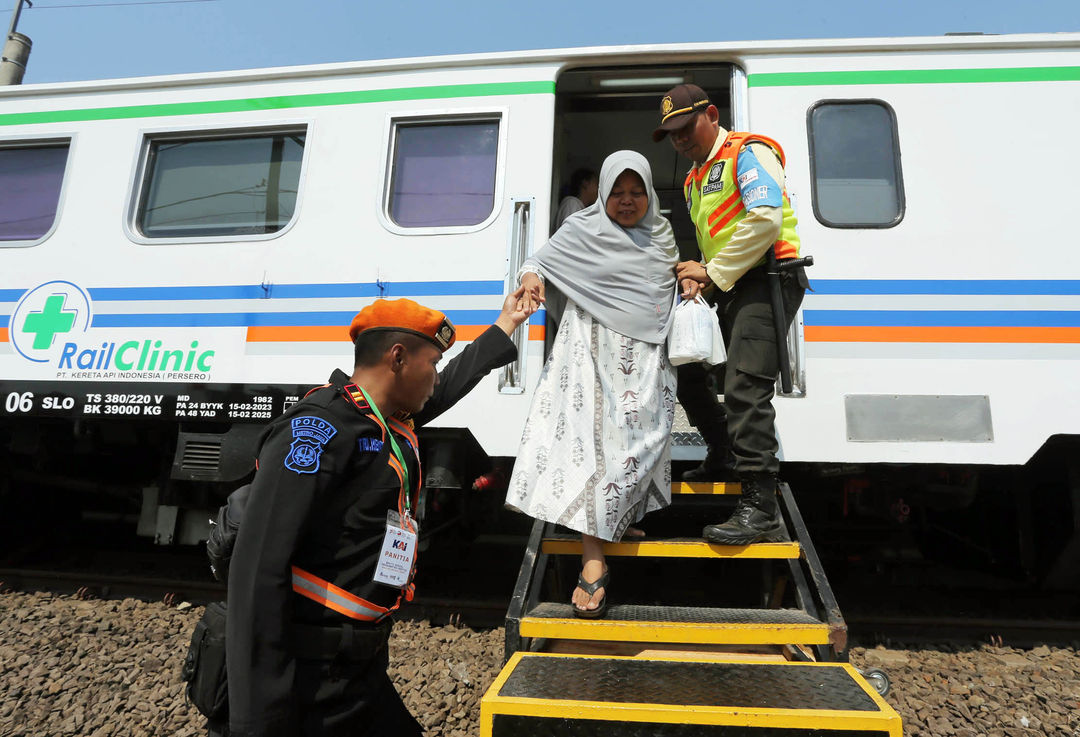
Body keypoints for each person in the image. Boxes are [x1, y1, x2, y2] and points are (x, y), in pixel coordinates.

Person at [220, 291, 534, 737]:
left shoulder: (381, 420)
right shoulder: (319, 429)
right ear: (398, 357)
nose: (436, 377)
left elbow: (446, 388)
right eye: (433, 363)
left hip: (355, 665)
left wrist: (506, 324)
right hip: (310, 674)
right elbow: (255, 570)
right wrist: (258, 720)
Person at [507, 150, 679, 618]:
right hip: (590, 353)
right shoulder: (583, 228)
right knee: (597, 445)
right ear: (602, 194)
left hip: (645, 360)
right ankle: (592, 559)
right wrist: (528, 277)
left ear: (649, 194)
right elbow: (537, 261)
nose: (626, 201)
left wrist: (689, 279)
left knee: (644, 439)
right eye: (617, 193)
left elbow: (663, 290)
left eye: (635, 192)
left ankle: (613, 518)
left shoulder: (662, 235)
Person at [653, 83, 808, 545]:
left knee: (744, 384)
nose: (680, 140)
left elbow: (765, 219)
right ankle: (721, 451)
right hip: (728, 284)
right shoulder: (693, 178)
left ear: (713, 115)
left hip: (766, 279)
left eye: (685, 128)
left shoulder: (749, 152)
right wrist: (698, 277)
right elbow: (711, 240)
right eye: (671, 134)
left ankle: (761, 508)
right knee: (685, 368)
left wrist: (711, 272)